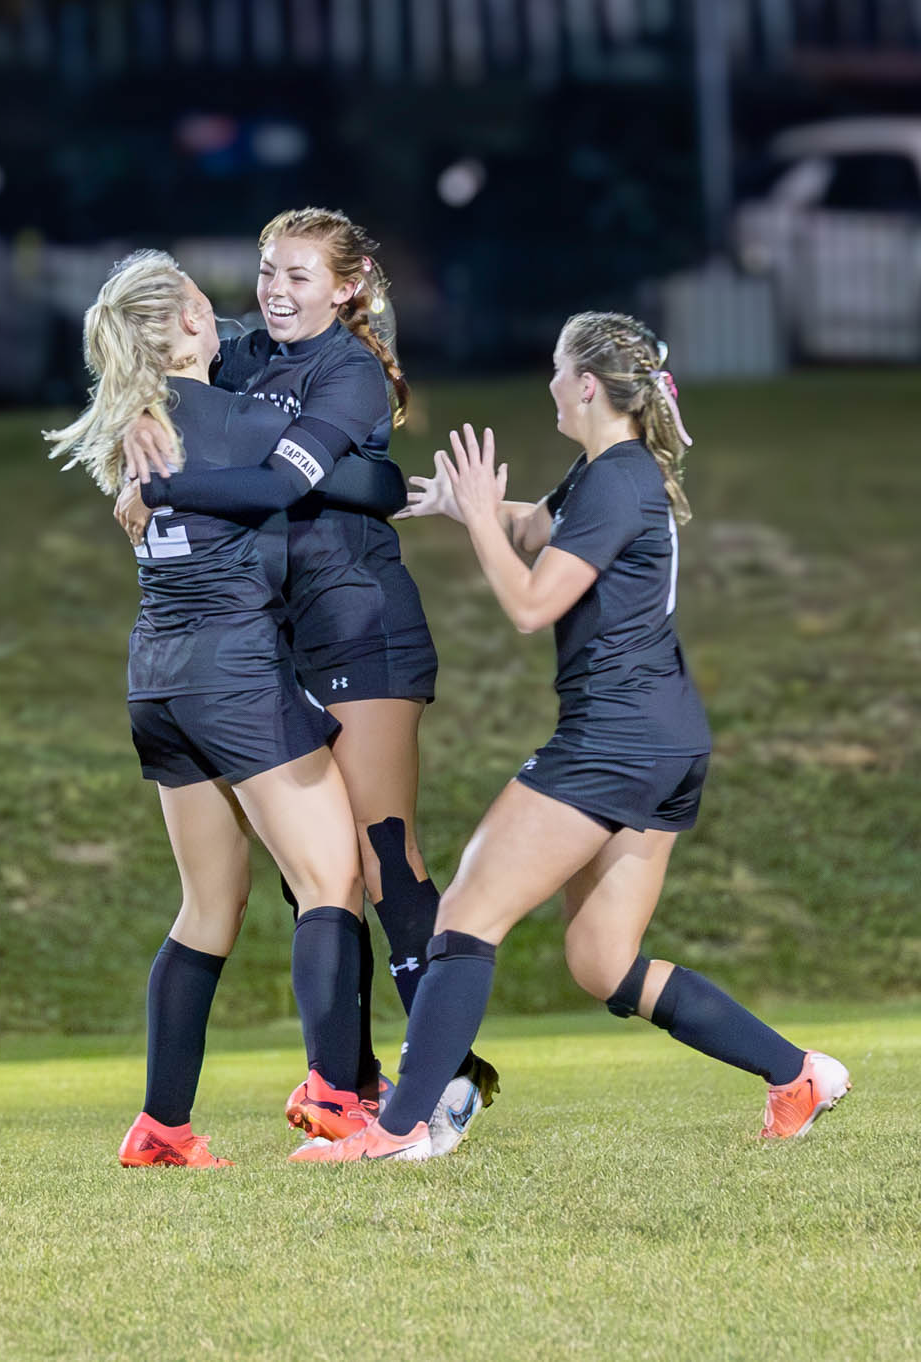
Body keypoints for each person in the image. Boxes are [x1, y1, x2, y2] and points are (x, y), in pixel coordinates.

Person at [296, 312, 850, 1163]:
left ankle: (400, 1130)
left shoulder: (618, 478)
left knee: (466, 918)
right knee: (603, 963)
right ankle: (798, 1074)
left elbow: (530, 605)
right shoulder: (608, 475)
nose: (549, 384)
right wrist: (463, 506)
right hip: (664, 741)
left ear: (586, 384)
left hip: (615, 740)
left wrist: (482, 517)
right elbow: (539, 529)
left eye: (558, 370)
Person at [115, 208, 497, 1152]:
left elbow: (326, 482)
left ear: (348, 287)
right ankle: (354, 1079)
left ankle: (439, 1074)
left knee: (377, 855)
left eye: (297, 275)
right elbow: (175, 374)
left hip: (359, 628)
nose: (275, 292)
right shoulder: (243, 355)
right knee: (312, 877)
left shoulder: (349, 368)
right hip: (273, 640)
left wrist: (368, 480)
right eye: (266, 272)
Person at [47, 250, 374, 1166]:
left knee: (207, 909)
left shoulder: (132, 427)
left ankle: (161, 1126)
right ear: (191, 323)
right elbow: (324, 481)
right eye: (205, 302)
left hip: (157, 679)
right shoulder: (237, 419)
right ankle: (337, 1096)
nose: (228, 312)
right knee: (331, 879)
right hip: (234, 671)